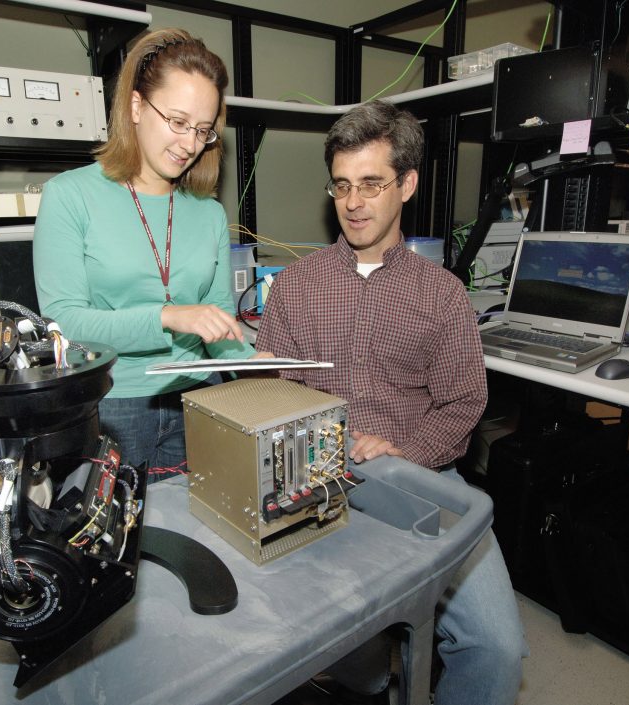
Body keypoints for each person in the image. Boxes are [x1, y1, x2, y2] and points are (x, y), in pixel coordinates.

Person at [256, 100, 527, 705]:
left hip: (422, 478)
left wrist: (403, 450)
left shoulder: (443, 295)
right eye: (342, 185)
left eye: (372, 184)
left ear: (406, 184)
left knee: (497, 647)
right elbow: (272, 396)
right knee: (342, 652)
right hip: (322, 481)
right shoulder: (296, 286)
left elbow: (462, 404)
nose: (354, 203)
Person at [34, 28, 254, 473]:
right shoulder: (69, 195)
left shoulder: (208, 213)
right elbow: (66, 324)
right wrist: (168, 317)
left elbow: (218, 320)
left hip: (200, 398)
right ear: (135, 106)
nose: (190, 144)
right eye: (177, 121)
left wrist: (253, 363)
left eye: (203, 130)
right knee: (117, 540)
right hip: (110, 406)